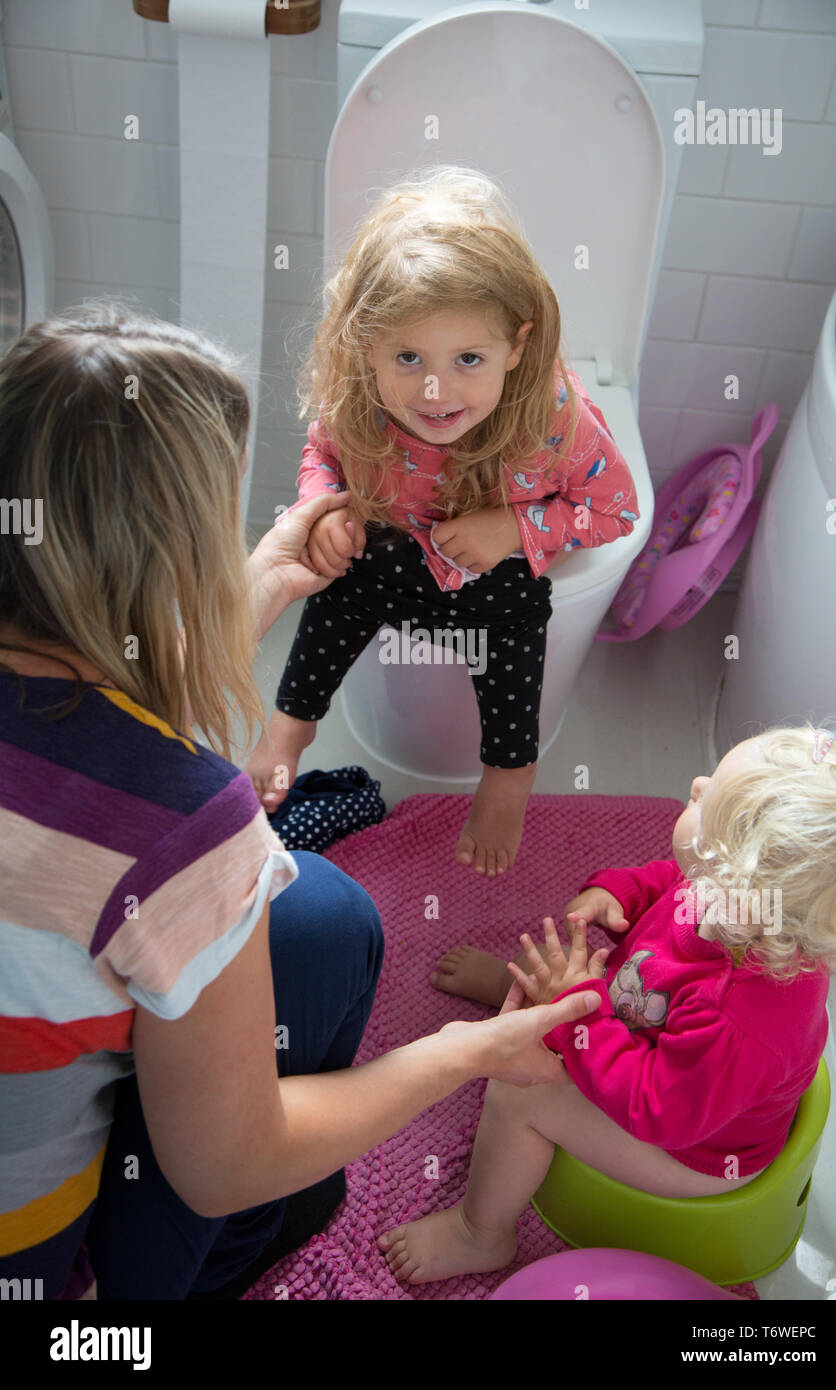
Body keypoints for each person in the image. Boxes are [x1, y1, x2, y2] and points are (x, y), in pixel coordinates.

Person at [0, 304, 599, 1301]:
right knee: (318, 931)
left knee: (315, 911)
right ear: (175, 551)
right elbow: (224, 1163)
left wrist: (261, 580)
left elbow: (71, 729)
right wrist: (466, 1051)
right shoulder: (185, 832)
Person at [245, 165, 639, 878]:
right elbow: (322, 454)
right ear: (366, 344)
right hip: (396, 549)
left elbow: (616, 508)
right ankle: (291, 724)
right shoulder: (360, 398)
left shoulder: (550, 419)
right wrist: (321, 506)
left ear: (516, 348)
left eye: (468, 358)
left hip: (491, 570)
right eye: (408, 356)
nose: (435, 389)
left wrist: (514, 528)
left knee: (518, 615)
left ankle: (509, 773)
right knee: (337, 580)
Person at [380, 726, 836, 1283]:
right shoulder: (741, 904)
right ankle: (548, 1003)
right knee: (561, 980)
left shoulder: (738, 1019)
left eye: (704, 801)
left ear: (736, 879)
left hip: (693, 1147)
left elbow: (657, 1110)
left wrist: (580, 1013)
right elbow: (669, 885)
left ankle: (480, 1233)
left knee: (518, 1096)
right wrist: (621, 893)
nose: (697, 783)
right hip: (654, 1037)